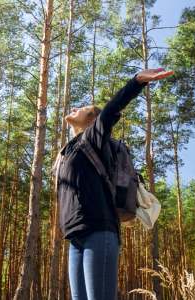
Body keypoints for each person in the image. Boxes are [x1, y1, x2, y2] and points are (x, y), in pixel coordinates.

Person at [54, 68, 174, 300]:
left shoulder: (91, 139)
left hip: (99, 230)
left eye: (83, 109)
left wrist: (137, 81)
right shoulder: (68, 150)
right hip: (75, 236)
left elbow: (110, 111)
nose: (75, 108)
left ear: (91, 121)